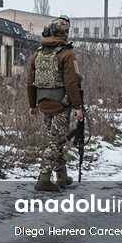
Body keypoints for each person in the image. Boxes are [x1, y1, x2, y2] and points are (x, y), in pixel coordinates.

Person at [26, 16, 84, 192]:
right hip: (61, 104)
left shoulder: (37, 54)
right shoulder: (67, 54)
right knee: (55, 142)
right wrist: (78, 107)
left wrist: (33, 105)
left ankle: (61, 175)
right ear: (63, 34)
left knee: (56, 139)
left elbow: (30, 82)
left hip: (43, 104)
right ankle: (44, 178)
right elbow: (71, 83)